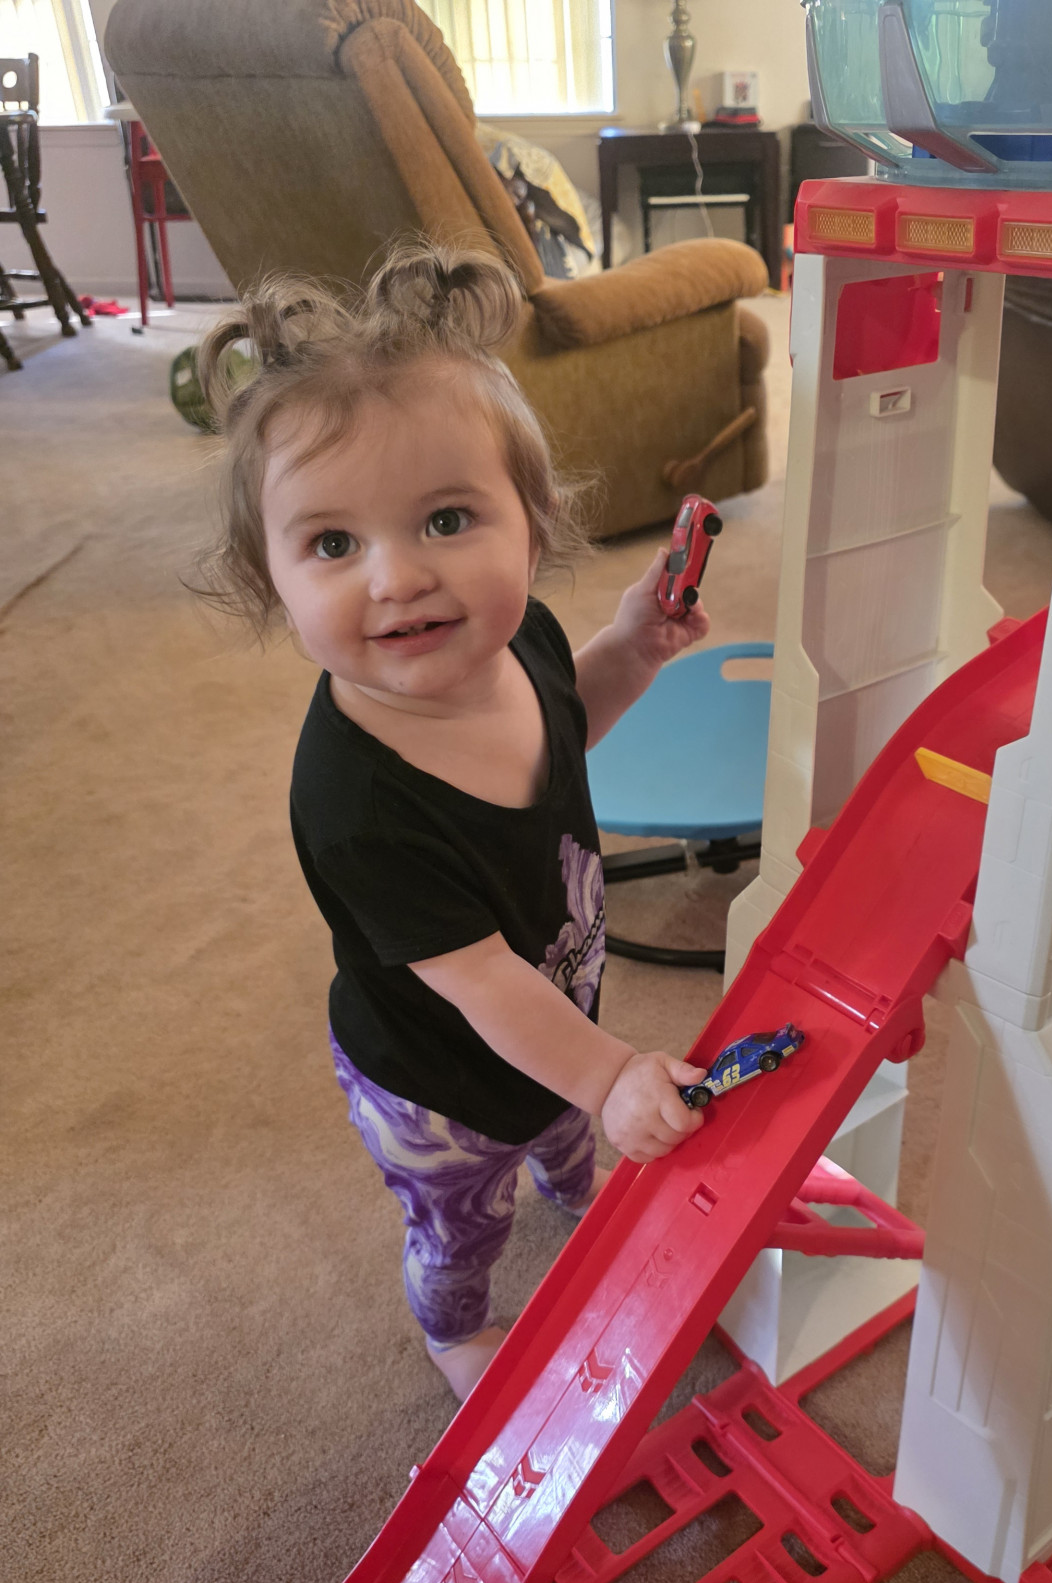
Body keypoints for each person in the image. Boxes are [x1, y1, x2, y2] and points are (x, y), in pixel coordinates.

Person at [193, 239, 707, 1400]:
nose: (396, 578)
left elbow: (567, 723)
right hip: (435, 1086)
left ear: (533, 521)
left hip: (555, 1009)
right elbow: (480, 985)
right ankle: (453, 1331)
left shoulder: (522, 641)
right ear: (271, 578)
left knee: (564, 1125)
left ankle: (573, 1171)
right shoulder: (356, 803)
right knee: (461, 1221)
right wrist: (611, 1074)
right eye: (334, 544)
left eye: (445, 520)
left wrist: (630, 650)